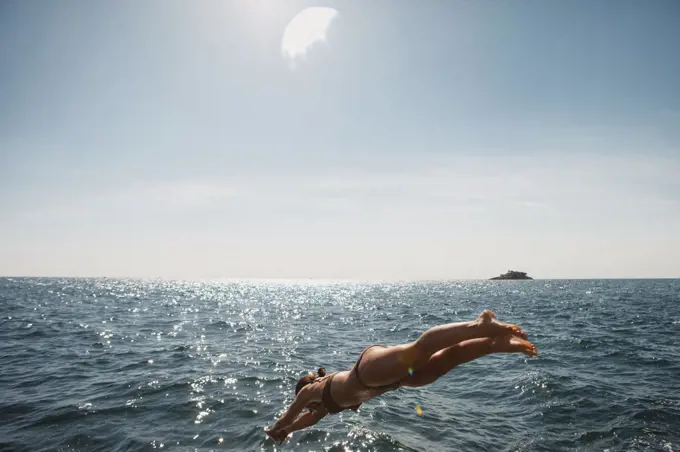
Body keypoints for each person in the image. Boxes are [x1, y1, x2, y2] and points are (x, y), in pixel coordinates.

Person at [265, 309, 537, 444]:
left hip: (367, 371)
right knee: (441, 365)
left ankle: (480, 326)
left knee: (419, 350)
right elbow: (301, 422)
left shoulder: (311, 391)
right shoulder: (321, 408)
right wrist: (287, 433)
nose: (309, 411)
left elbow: (291, 415)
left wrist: (276, 428)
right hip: (392, 381)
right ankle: (496, 344)